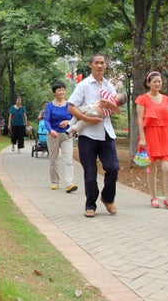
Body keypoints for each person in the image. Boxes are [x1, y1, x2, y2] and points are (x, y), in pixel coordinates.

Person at [68, 53, 122, 218]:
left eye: (102, 63)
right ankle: (90, 204)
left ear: (106, 66)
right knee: (90, 173)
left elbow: (118, 110)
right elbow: (71, 107)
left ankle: (107, 198)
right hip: (88, 135)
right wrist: (87, 119)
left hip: (106, 133)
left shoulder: (109, 86)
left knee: (113, 167)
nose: (100, 66)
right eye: (97, 63)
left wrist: (111, 105)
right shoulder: (84, 85)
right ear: (91, 65)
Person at [135, 71, 168, 211]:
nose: (157, 84)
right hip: (150, 135)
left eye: (159, 81)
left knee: (167, 168)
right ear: (148, 83)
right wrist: (142, 138)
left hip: (164, 134)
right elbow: (140, 120)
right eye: (154, 81)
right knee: (151, 168)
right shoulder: (142, 99)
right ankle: (153, 197)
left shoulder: (166, 99)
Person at [43, 81, 78, 193]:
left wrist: (68, 122)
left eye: (63, 89)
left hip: (67, 135)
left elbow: (75, 118)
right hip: (53, 135)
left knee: (68, 160)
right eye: (59, 90)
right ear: (54, 92)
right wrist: (51, 130)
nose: (62, 92)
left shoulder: (69, 105)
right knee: (53, 159)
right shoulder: (49, 106)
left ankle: (70, 183)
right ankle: (55, 181)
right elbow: (46, 120)